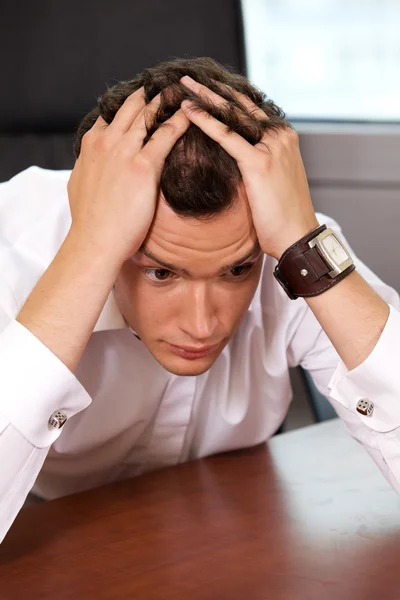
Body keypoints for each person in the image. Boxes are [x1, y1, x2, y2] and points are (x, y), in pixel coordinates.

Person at [0, 57, 399, 543]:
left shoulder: (294, 246)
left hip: (235, 535)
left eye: (237, 270)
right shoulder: (12, 243)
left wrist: (302, 244)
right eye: (161, 271)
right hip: (46, 538)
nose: (202, 325)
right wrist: (91, 250)